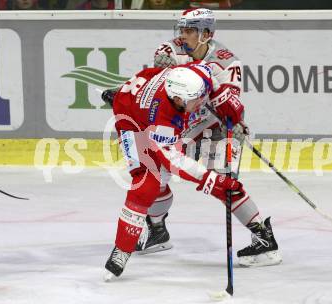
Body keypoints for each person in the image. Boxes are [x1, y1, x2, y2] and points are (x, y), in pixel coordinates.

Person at [136, 7, 282, 267]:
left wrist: (236, 122)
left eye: (190, 31)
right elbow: (162, 61)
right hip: (183, 124)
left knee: (224, 186)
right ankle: (157, 230)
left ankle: (264, 239)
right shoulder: (174, 50)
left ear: (206, 34)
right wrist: (162, 65)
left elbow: (230, 103)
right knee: (153, 171)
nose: (183, 36)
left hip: (215, 127)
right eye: (181, 30)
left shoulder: (227, 63)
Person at [102, 63, 259, 279]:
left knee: (200, 168)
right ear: (177, 99)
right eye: (195, 101)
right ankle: (123, 249)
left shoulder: (196, 76)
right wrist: (210, 179)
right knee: (146, 182)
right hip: (132, 119)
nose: (200, 103)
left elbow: (210, 77)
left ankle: (158, 231)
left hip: (143, 90)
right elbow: (173, 161)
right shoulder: (161, 119)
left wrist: (234, 116)